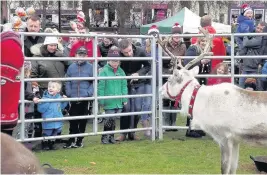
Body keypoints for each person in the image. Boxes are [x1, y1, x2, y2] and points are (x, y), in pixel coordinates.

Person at [116, 39, 151, 141]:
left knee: (137, 108)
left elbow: (148, 65)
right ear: (121, 51)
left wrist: (138, 74)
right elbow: (116, 68)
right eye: (126, 52)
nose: (129, 54)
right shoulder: (118, 55)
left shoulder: (140, 51)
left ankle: (132, 132)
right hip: (124, 83)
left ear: (131, 45)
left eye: (130, 50)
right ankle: (123, 133)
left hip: (139, 82)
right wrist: (127, 77)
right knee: (126, 108)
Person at [64, 46, 94, 148]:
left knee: (83, 120)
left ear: (86, 56)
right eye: (79, 54)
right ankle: (72, 138)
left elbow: (94, 82)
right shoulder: (71, 67)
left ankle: (80, 139)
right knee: (72, 119)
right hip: (73, 98)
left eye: (83, 55)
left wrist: (88, 93)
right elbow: (67, 80)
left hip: (84, 98)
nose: (81, 56)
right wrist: (69, 92)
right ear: (75, 55)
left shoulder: (91, 67)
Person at [98, 46, 128, 144]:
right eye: (113, 61)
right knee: (108, 118)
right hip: (109, 100)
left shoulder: (121, 71)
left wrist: (124, 98)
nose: (115, 63)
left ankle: (111, 136)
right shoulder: (104, 72)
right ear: (109, 60)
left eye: (117, 61)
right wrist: (101, 99)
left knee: (114, 119)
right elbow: (101, 86)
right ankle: (104, 137)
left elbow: (124, 85)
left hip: (118, 100)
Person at [162, 23, 186, 131]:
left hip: (177, 73)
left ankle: (173, 122)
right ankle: (166, 123)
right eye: (175, 34)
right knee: (166, 97)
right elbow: (163, 58)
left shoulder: (183, 45)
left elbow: (182, 59)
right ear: (172, 35)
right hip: (166, 72)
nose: (177, 36)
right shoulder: (165, 44)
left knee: (176, 97)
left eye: (179, 34)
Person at [1, 31, 24, 135]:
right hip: (13, 84)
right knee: (7, 133)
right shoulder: (17, 48)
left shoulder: (2, 45)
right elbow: (21, 62)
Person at [37, 81, 68, 150]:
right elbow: (40, 109)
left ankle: (51, 144)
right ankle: (45, 144)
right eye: (49, 87)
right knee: (47, 133)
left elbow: (62, 107)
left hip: (57, 119)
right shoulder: (44, 99)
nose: (50, 88)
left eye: (53, 87)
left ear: (58, 90)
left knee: (55, 133)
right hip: (48, 120)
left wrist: (65, 100)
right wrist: (48, 101)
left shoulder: (59, 98)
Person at [238, 22, 266, 90]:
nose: (258, 30)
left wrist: (245, 35)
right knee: (241, 88)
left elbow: (246, 43)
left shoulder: (261, 38)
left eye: (261, 29)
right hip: (246, 67)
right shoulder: (253, 36)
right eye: (257, 28)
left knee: (254, 89)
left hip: (254, 69)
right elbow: (244, 48)